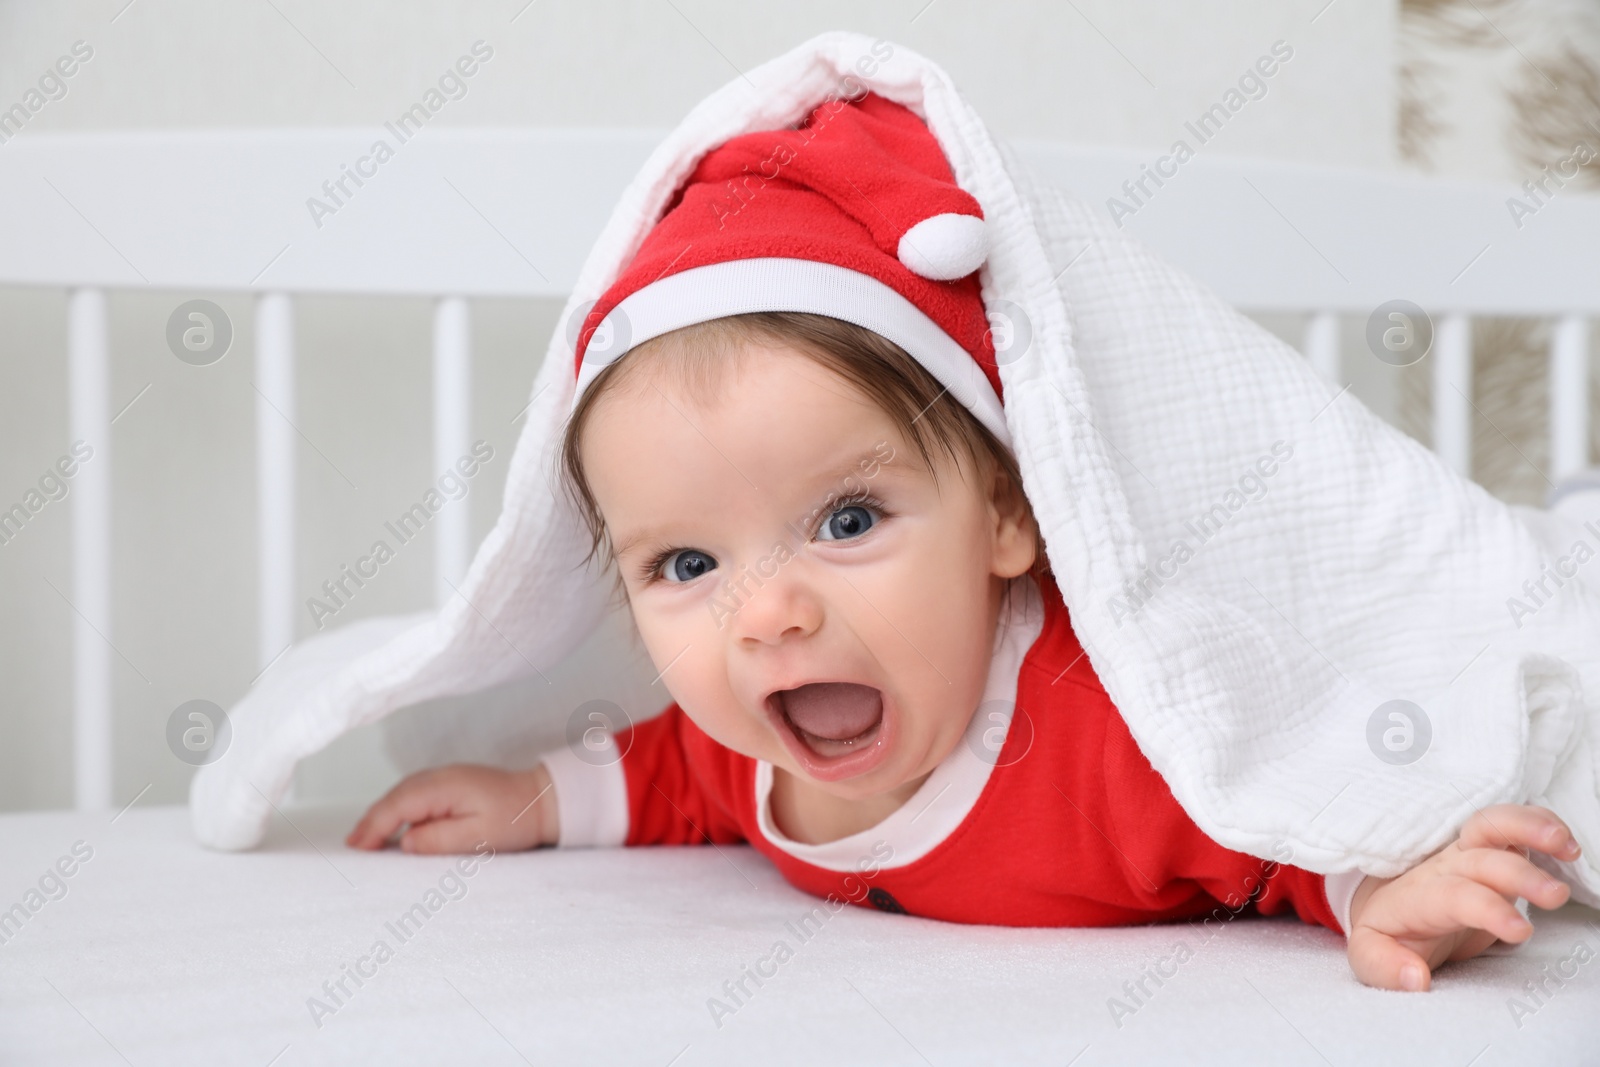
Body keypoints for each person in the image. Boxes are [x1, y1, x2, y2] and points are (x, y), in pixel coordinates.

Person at [344, 90, 1583, 994]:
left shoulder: (1113, 738)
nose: (764, 614)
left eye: (847, 519)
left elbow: (1273, 801)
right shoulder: (757, 738)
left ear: (1005, 515)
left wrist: (1384, 886)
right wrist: (533, 797)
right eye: (686, 565)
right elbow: (680, 777)